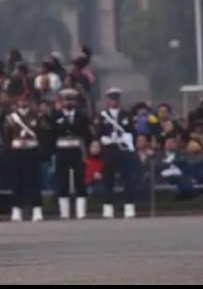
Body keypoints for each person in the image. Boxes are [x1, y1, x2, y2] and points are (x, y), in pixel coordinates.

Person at [96, 88, 138, 219]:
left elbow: (132, 132)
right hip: (109, 152)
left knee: (127, 180)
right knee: (108, 181)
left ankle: (129, 207)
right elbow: (99, 134)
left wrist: (123, 137)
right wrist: (107, 139)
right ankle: (108, 208)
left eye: (116, 98)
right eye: (111, 99)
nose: (113, 101)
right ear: (108, 100)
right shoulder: (102, 116)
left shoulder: (127, 115)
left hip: (123, 152)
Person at [51, 89, 92, 220]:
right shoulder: (55, 116)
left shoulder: (82, 117)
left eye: (72, 100)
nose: (69, 102)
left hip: (77, 150)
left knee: (80, 180)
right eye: (67, 100)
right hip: (62, 151)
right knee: (62, 181)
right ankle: (64, 212)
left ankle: (81, 212)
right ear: (62, 102)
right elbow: (51, 135)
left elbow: (87, 135)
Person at [4, 95, 44, 222]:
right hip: (17, 152)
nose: (23, 102)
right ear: (17, 102)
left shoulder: (37, 116)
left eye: (26, 100)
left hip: (32, 151)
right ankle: (16, 210)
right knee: (17, 182)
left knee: (34, 182)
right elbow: (7, 137)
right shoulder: (11, 118)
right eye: (21, 100)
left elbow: (42, 135)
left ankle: (37, 210)